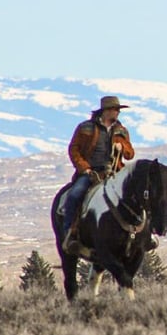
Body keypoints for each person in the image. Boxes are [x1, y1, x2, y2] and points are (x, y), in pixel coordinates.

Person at [61, 95, 135, 250]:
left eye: (118, 110)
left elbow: (130, 154)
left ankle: (143, 233)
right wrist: (84, 168)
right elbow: (74, 150)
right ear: (106, 111)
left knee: (136, 195)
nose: (117, 113)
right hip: (91, 173)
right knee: (75, 195)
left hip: (115, 172)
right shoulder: (85, 128)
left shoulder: (121, 131)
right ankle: (70, 232)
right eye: (115, 110)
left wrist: (122, 146)